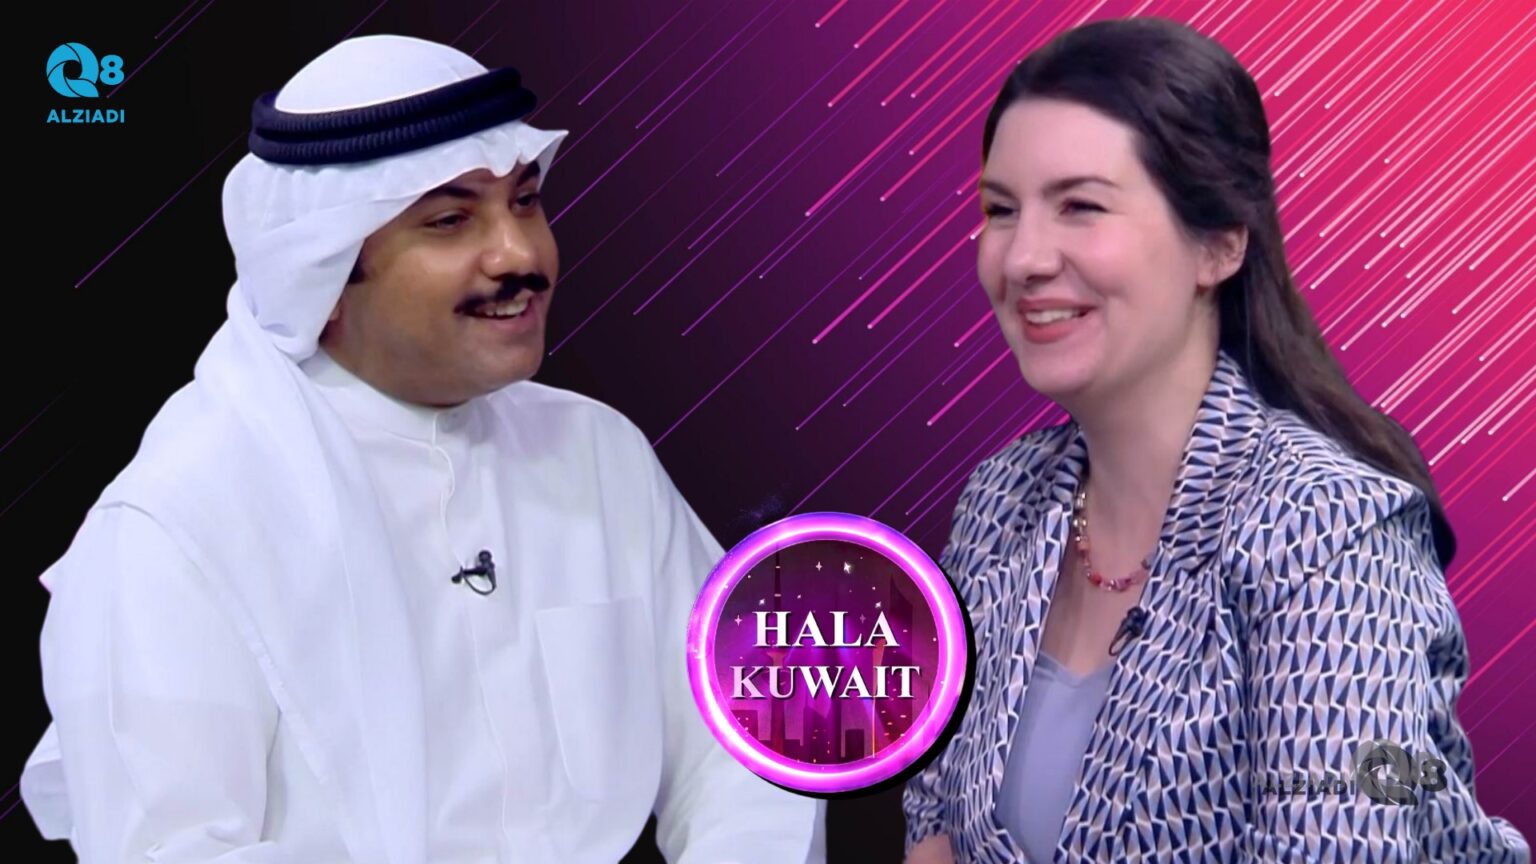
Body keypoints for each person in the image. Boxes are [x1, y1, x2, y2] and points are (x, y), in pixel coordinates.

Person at [19, 34, 821, 864]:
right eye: (449, 221)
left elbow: (748, 741)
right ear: (323, 270)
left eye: (525, 201)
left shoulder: (596, 454)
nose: (521, 255)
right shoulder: (178, 523)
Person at [902, 17, 1528, 864]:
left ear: (1221, 244)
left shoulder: (1328, 529)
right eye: (1001, 210)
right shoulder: (999, 502)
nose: (1022, 259)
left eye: (1081, 206)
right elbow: (936, 824)